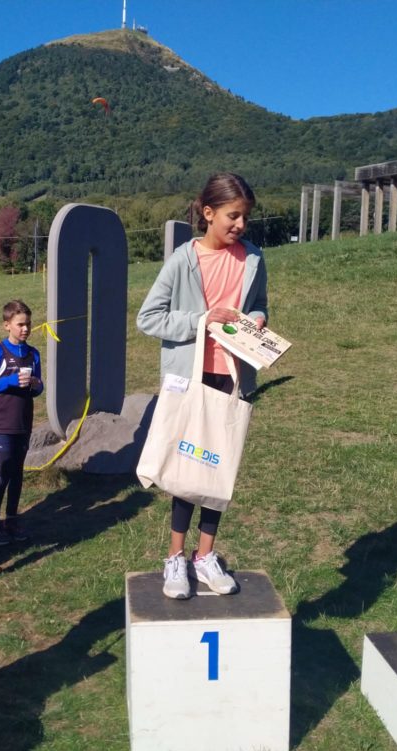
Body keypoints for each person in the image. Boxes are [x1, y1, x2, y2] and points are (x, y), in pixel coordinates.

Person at [136, 172, 268, 600]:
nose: (240, 226)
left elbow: (259, 305)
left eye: (245, 217)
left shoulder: (253, 260)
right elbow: (148, 318)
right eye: (233, 216)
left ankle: (205, 556)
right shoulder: (182, 260)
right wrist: (200, 320)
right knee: (188, 469)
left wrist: (259, 319)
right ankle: (175, 558)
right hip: (187, 378)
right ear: (207, 213)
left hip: (233, 378)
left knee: (217, 468)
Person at [0, 300, 43, 545]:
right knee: (4, 471)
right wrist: (10, 381)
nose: (26, 329)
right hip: (2, 421)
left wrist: (37, 385)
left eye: (28, 324)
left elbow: (38, 387)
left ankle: (12, 519)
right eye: (20, 325)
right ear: (7, 325)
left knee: (17, 472)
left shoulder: (33, 353)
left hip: (23, 421)